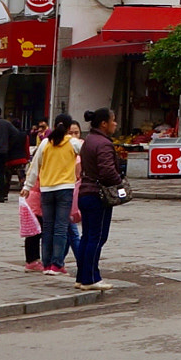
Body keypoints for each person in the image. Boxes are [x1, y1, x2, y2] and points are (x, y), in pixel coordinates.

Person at [74, 109, 124, 291]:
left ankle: (82, 276)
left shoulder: (89, 141)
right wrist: (119, 183)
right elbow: (107, 171)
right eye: (113, 120)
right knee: (97, 237)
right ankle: (91, 278)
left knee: (87, 237)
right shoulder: (103, 143)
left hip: (85, 193)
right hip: (97, 195)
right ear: (104, 123)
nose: (115, 124)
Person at [27, 114, 83, 278]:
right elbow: (87, 155)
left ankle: (46, 264)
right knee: (60, 228)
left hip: (46, 189)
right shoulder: (72, 142)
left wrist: (27, 186)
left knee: (48, 228)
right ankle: (57, 264)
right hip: (65, 189)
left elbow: (34, 166)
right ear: (67, 128)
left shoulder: (45, 142)